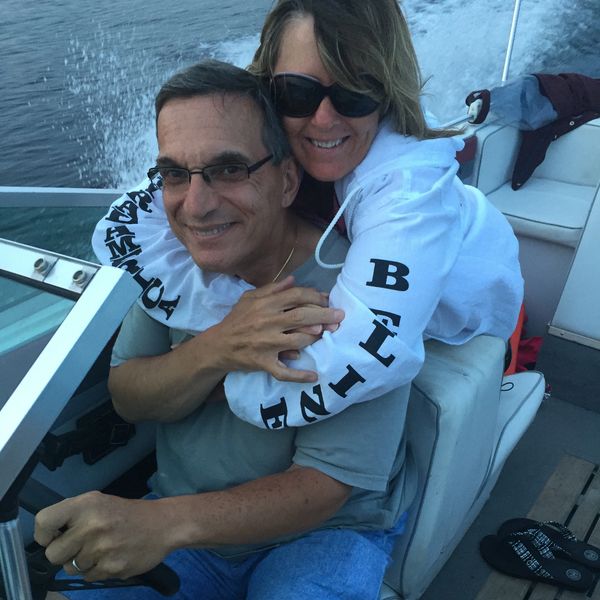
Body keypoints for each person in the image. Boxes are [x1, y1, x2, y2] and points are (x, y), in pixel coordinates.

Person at [35, 60, 414, 600]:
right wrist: (220, 346)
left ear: (286, 181)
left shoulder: (361, 290)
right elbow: (128, 397)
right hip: (181, 519)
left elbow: (325, 486)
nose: (196, 205)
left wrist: (164, 524)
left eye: (229, 169)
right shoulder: (171, 262)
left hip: (324, 532)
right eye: (173, 174)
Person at [91, 0, 523, 430]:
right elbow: (146, 212)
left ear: (388, 91)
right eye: (298, 91)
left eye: (356, 94)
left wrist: (206, 382)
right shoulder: (266, 122)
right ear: (270, 83)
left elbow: (366, 355)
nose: (323, 119)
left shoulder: (407, 190)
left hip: (460, 304)